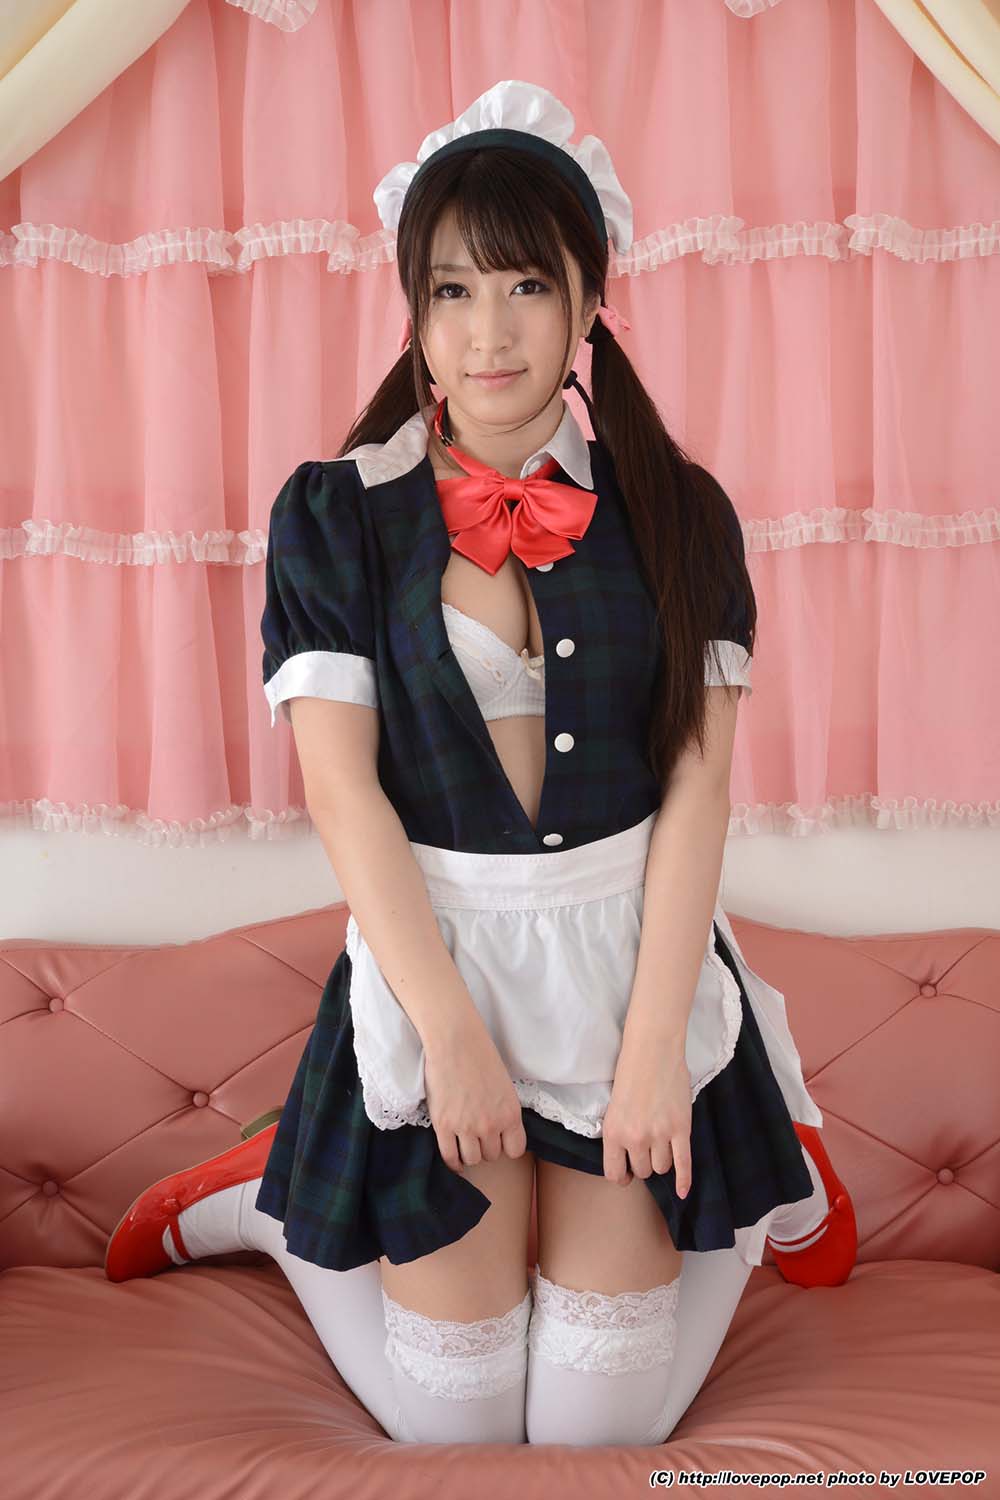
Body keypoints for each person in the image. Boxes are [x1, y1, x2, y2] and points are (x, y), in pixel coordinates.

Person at [104, 79, 857, 1448]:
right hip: (434, 969)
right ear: (414, 311)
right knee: (453, 1431)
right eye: (451, 290)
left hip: (628, 965)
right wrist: (450, 1037)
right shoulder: (337, 516)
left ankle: (763, 1158)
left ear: (588, 303)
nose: (489, 332)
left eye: (526, 285)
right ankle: (264, 1204)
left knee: (593, 1434)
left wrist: (653, 1055)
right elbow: (341, 789)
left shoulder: (680, 514)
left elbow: (698, 788)